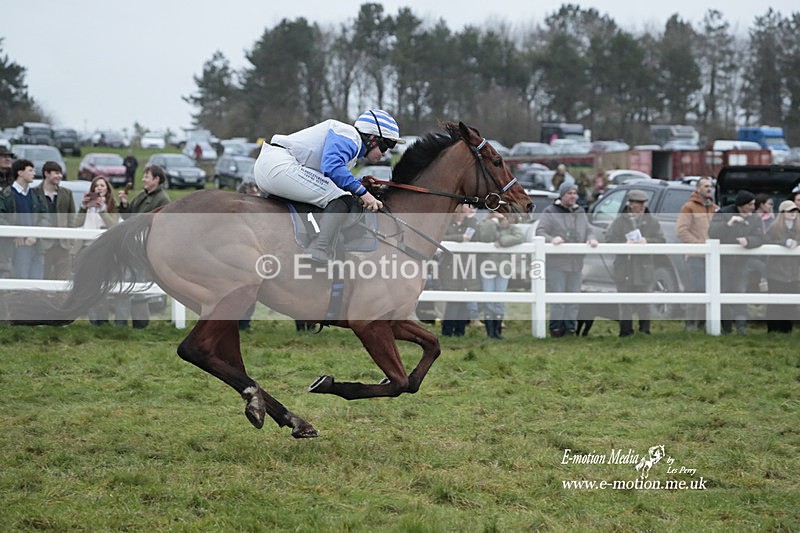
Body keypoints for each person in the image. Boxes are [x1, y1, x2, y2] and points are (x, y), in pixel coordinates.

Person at [254, 109, 402, 263]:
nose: (385, 153)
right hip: (279, 166)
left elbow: (330, 177)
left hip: (272, 166)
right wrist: (364, 193)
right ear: (372, 138)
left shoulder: (351, 145)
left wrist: (359, 184)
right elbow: (332, 167)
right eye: (385, 146)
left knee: (336, 194)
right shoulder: (350, 136)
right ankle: (319, 247)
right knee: (343, 198)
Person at [536, 182, 598, 337]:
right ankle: (556, 328)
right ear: (562, 195)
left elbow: (588, 229)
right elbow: (540, 232)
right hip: (556, 264)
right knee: (558, 299)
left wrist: (591, 238)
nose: (573, 196)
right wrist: (552, 239)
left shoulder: (580, 212)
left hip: (576, 264)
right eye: (569, 193)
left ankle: (570, 328)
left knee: (574, 298)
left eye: (574, 193)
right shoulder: (550, 211)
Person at [605, 189, 666, 337]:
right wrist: (624, 244)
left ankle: (644, 330)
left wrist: (647, 241)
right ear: (630, 204)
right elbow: (609, 239)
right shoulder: (619, 221)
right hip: (624, 267)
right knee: (624, 302)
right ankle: (625, 331)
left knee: (644, 301)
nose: (642, 206)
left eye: (643, 203)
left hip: (643, 267)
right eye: (638, 203)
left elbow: (661, 240)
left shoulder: (651, 221)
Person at [117, 165, 171, 327]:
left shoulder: (163, 200)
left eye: (147, 176)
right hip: (131, 247)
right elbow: (128, 218)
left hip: (144, 249)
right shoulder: (142, 195)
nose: (143, 179)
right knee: (126, 282)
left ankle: (137, 322)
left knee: (137, 284)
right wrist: (124, 204)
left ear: (156, 179)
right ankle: (124, 322)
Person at [708, 190, 765, 335]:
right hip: (722, 263)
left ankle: (741, 327)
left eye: (753, 204)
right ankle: (726, 328)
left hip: (741, 263)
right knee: (722, 293)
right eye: (750, 204)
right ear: (741, 205)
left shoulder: (755, 218)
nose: (753, 207)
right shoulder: (723, 213)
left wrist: (748, 241)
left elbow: (760, 237)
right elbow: (712, 233)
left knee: (739, 292)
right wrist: (728, 225)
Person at [75, 176, 122, 326]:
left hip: (104, 250)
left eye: (102, 185)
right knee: (90, 284)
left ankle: (103, 318)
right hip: (87, 248)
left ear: (107, 189)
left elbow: (113, 225)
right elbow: (75, 223)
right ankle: (93, 318)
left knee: (103, 285)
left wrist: (102, 210)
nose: (99, 188)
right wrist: (83, 207)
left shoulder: (112, 206)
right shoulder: (87, 206)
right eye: (96, 186)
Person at [676, 177, 718, 332]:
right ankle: (690, 323)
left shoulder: (715, 208)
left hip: (713, 258)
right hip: (695, 256)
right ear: (698, 188)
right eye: (705, 186)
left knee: (711, 289)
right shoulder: (688, 207)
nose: (709, 189)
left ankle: (703, 323)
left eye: (710, 186)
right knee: (696, 288)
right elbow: (681, 231)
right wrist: (699, 245)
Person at [476, 211, 525, 339]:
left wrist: (502, 241)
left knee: (500, 300)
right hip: (487, 268)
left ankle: (498, 331)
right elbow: (485, 238)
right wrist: (492, 223)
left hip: (504, 268)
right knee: (488, 299)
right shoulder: (486, 224)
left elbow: (520, 237)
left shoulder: (512, 228)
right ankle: (490, 332)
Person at [0, 159, 49, 279]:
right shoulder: (6, 195)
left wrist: (35, 235)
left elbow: (45, 217)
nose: (34, 173)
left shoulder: (36, 194)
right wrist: (15, 233)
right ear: (20, 173)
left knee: (37, 283)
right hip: (16, 247)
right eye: (30, 170)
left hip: (36, 246)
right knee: (20, 281)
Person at [440, 204, 479, 337]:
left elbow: (476, 236)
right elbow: (442, 237)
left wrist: (471, 219)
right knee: (453, 300)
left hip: (467, 266)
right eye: (468, 206)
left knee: (464, 299)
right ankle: (447, 331)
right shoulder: (448, 222)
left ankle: (459, 331)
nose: (471, 209)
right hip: (450, 267)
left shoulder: (471, 223)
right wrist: (460, 238)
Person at [33, 161, 77, 280]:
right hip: (43, 245)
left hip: (63, 246)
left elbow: (71, 219)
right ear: (46, 173)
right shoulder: (34, 192)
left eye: (60, 173)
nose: (60, 176)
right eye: (56, 173)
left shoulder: (67, 193)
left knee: (64, 279)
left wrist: (71, 243)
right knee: (43, 278)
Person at [764, 201, 800, 333]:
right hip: (776, 271)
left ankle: (786, 330)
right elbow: (766, 240)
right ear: (782, 213)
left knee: (790, 303)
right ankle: (773, 330)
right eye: (790, 211)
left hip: (794, 271)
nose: (793, 214)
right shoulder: (774, 227)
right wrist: (783, 242)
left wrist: (797, 242)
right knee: (774, 302)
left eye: (795, 211)